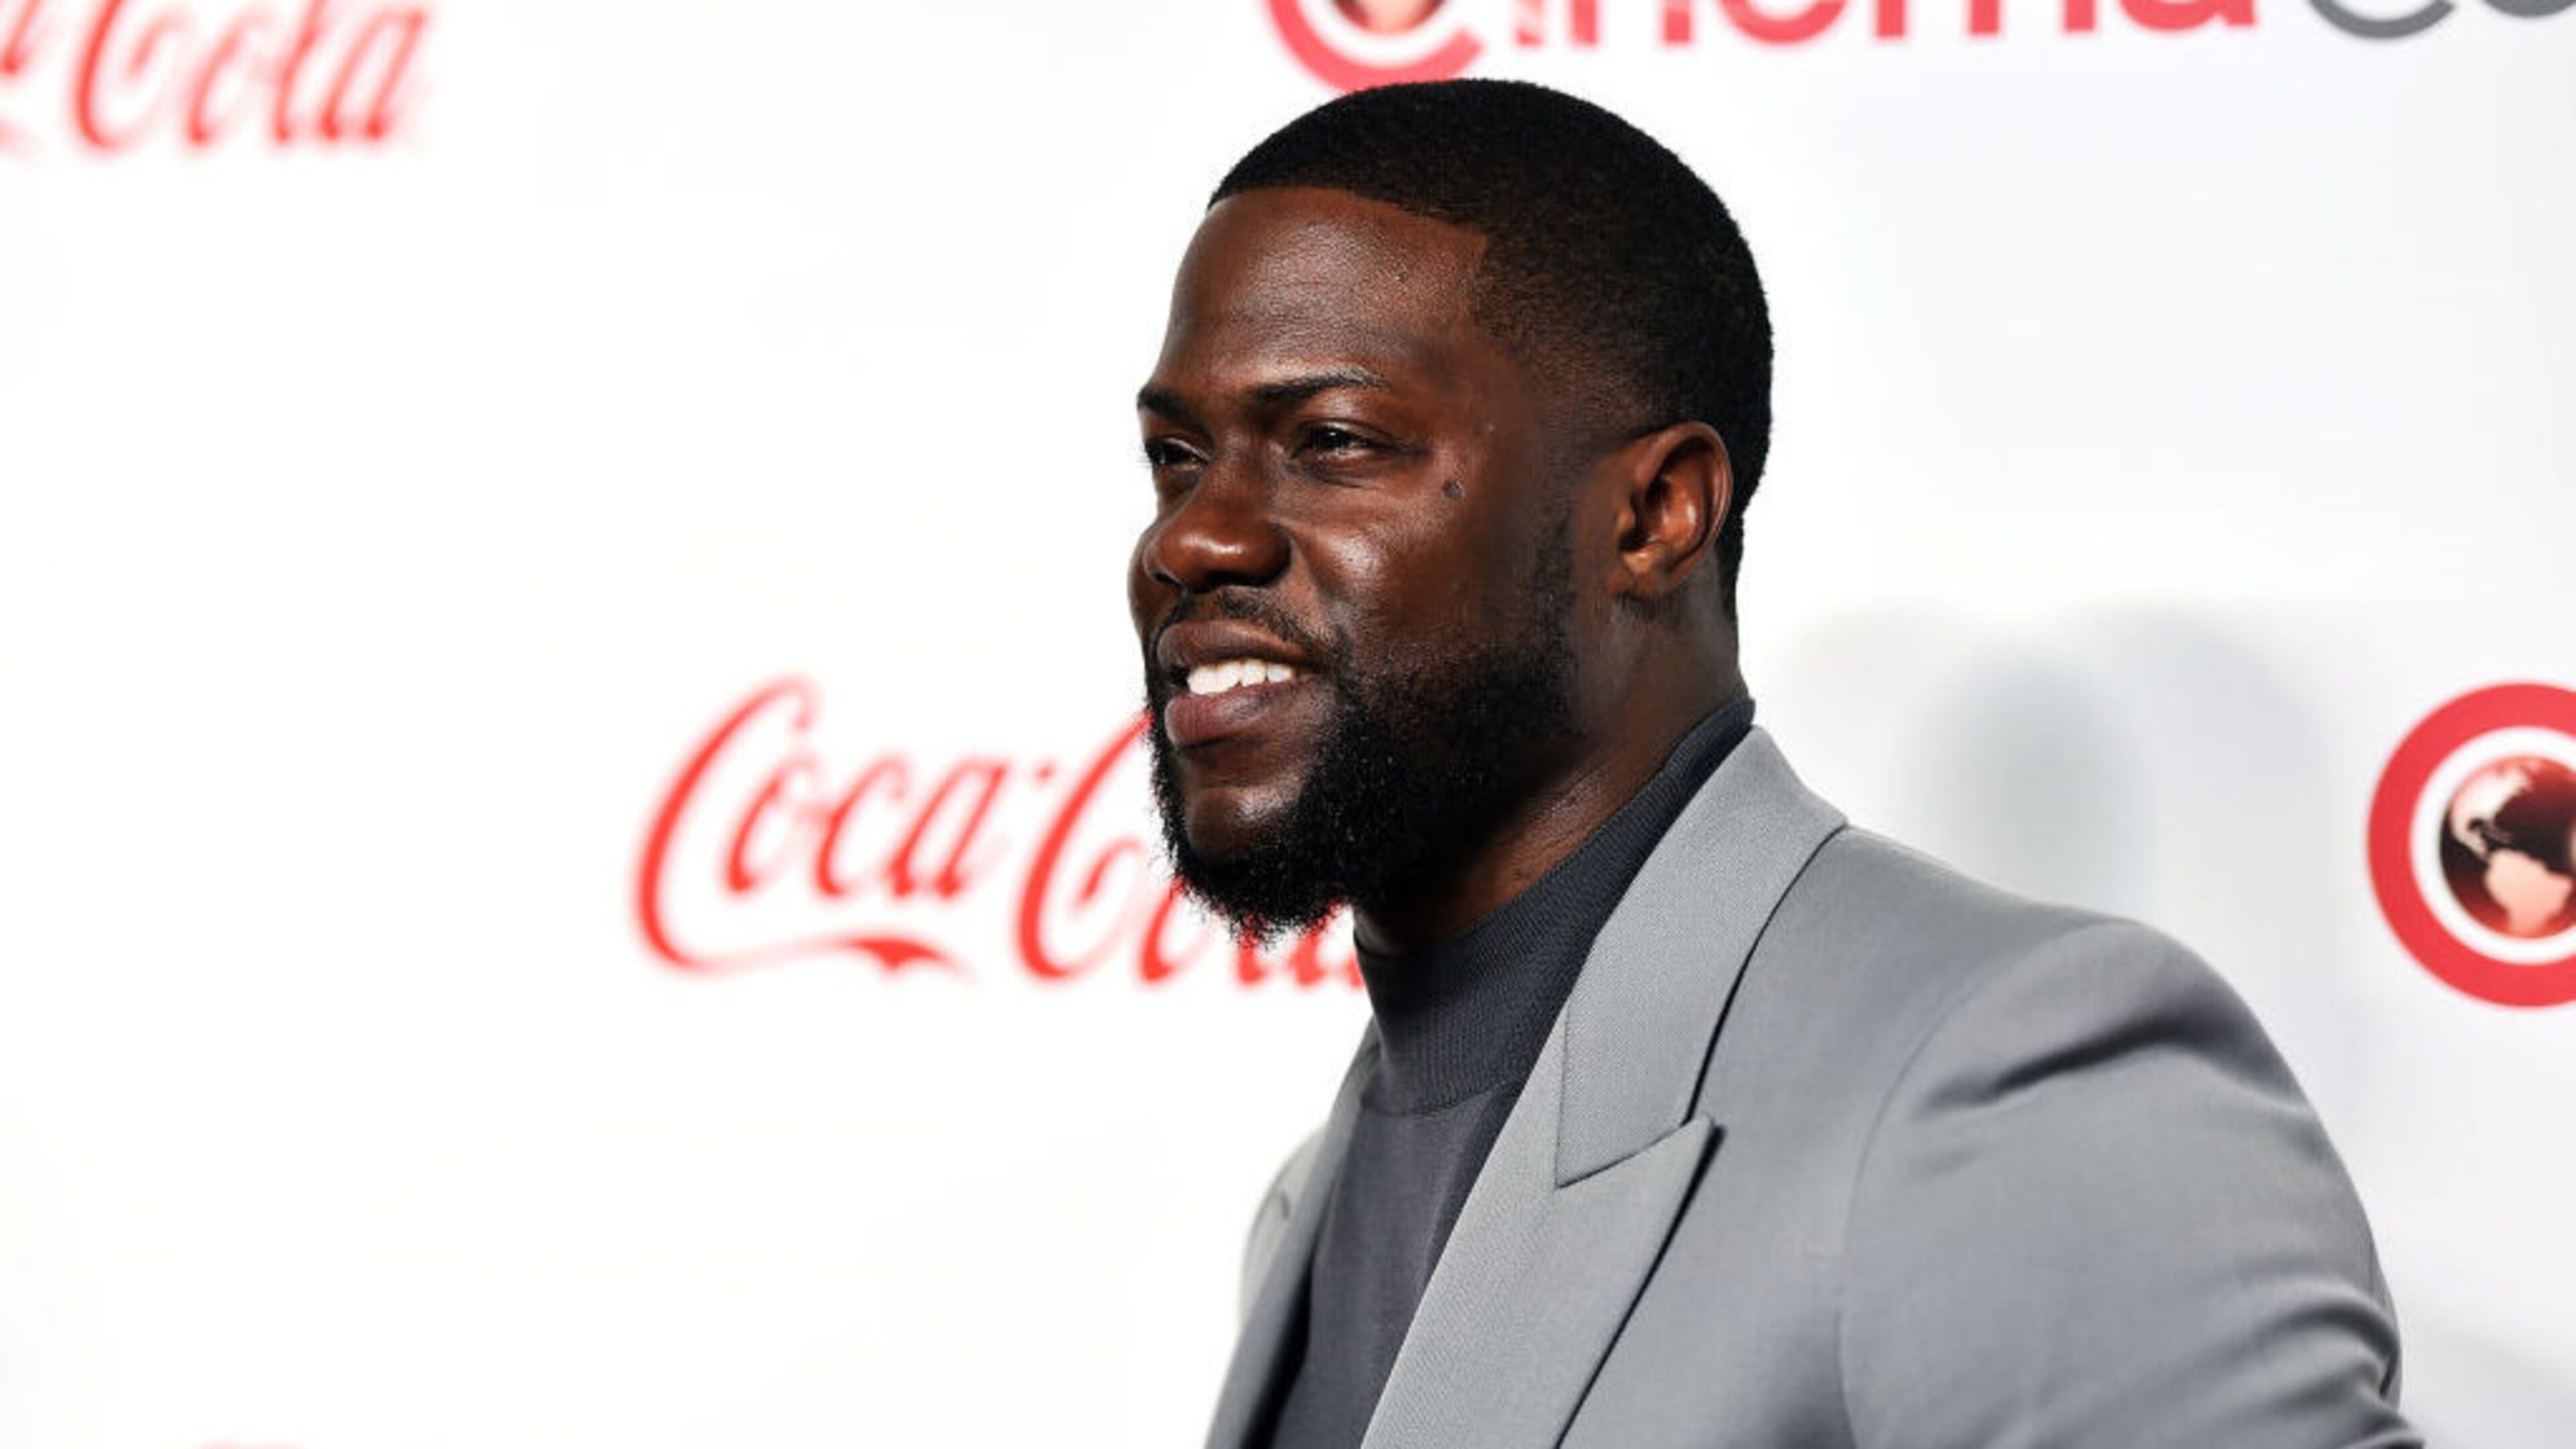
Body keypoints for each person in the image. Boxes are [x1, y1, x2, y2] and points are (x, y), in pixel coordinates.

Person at [1128, 79, 2416, 1449]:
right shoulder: (1305, 1213)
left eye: (1332, 442)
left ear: (1656, 516)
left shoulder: (2005, 1088)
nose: (1192, 542)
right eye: (1175, 458)